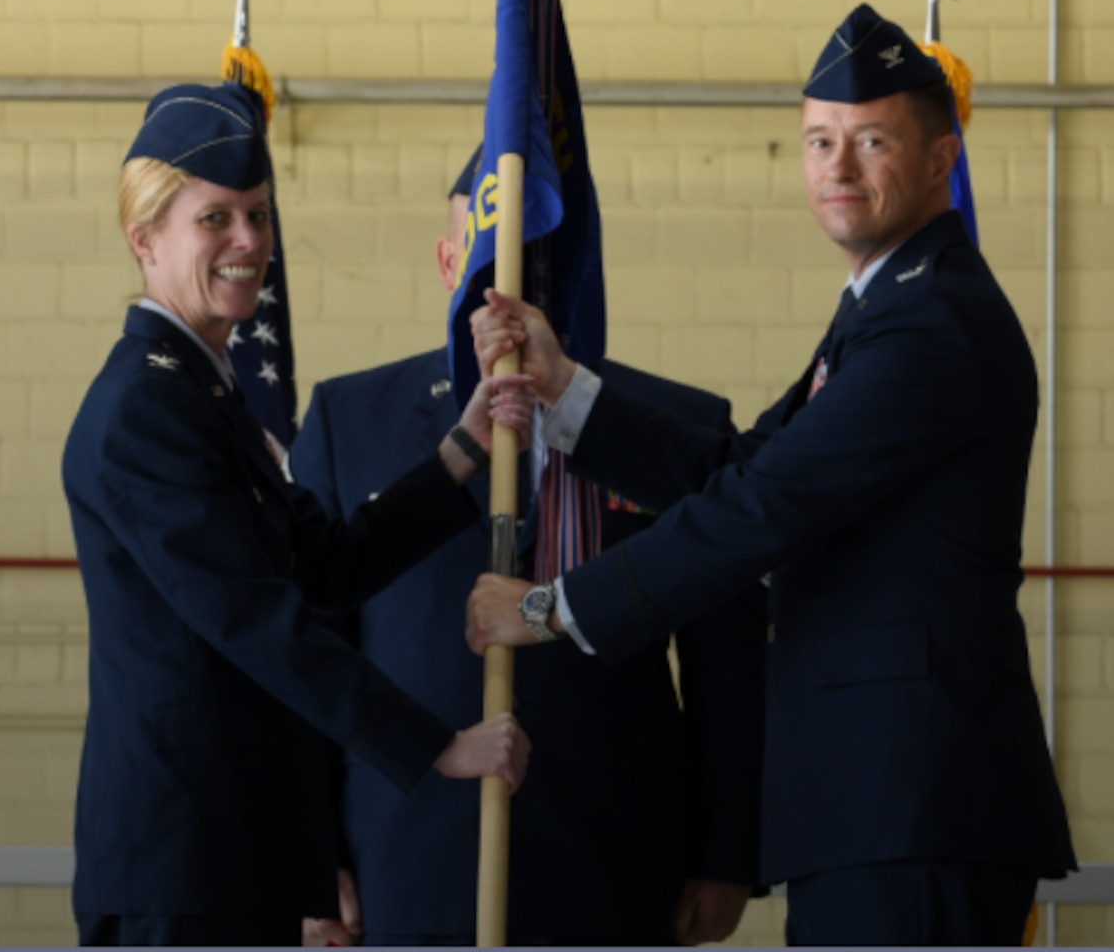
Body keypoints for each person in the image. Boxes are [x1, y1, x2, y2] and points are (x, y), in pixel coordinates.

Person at [465, 4, 1077, 946]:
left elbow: (761, 507)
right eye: (819, 140)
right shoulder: (885, 309)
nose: (837, 167)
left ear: (941, 159)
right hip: (873, 805)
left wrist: (554, 608)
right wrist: (567, 389)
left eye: (871, 141)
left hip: (910, 805)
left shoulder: (933, 322)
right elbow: (751, 464)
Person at [61, 81, 535, 948]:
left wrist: (459, 453)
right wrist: (435, 746)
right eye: (216, 219)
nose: (249, 242)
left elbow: (322, 566)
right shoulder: (146, 408)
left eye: (259, 215)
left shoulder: (204, 396)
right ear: (145, 239)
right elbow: (256, 618)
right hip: (185, 860)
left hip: (232, 854)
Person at [289, 150, 766, 946]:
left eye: (538, 257)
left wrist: (727, 855)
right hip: (402, 863)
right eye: (485, 259)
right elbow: (306, 651)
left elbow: (730, 665)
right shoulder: (349, 421)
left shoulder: (677, 427)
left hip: (616, 861)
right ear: (448, 263)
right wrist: (307, 858)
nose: (509, 288)